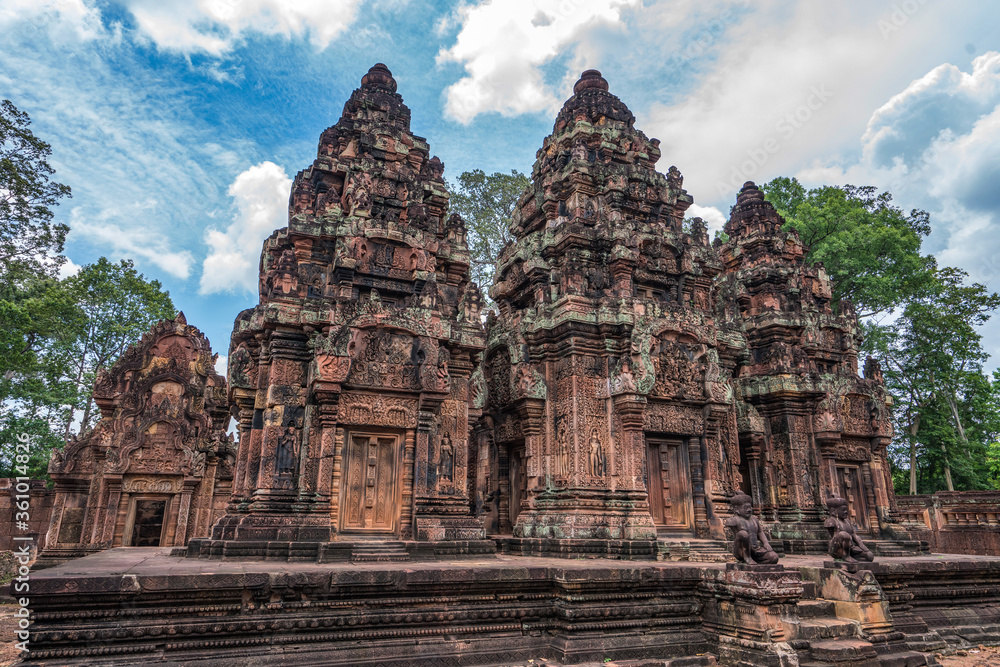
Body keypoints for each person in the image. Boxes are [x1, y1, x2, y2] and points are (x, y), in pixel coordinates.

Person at [725, 492, 779, 565]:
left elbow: (760, 532)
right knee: (743, 533)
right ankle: (747, 558)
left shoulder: (754, 520)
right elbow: (738, 535)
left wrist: (766, 543)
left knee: (774, 557)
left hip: (756, 549)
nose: (749, 510)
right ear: (736, 509)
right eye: (745, 508)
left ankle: (758, 563)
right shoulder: (734, 520)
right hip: (741, 551)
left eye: (750, 507)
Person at [825, 497, 874, 562]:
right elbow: (835, 536)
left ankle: (851, 557)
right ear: (833, 511)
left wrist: (864, 548)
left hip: (851, 549)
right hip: (837, 549)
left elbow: (854, 535)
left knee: (869, 556)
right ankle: (846, 556)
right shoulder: (831, 521)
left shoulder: (847, 521)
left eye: (846, 510)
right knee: (844, 534)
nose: (845, 512)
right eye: (843, 510)